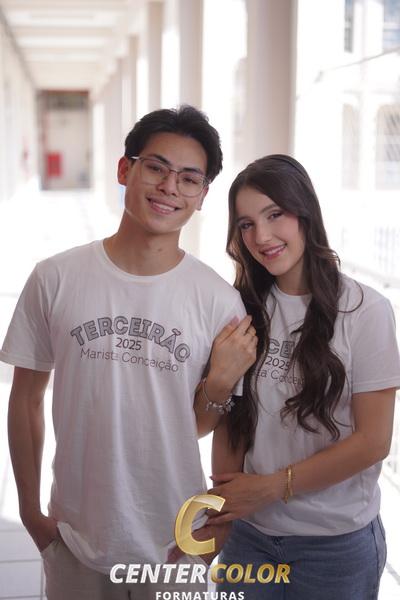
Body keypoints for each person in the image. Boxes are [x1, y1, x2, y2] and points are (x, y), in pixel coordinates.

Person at [0, 105, 257, 599]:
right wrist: (31, 513)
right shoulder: (55, 278)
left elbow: (212, 427)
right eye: (156, 168)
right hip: (75, 537)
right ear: (125, 169)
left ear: (202, 195)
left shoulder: (218, 301)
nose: (169, 188)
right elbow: (25, 399)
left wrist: (216, 530)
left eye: (189, 179)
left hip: (177, 541)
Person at [208, 154, 400, 599]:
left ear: (305, 212)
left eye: (275, 214)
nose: (261, 236)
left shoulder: (365, 311)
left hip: (335, 547)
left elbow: (374, 441)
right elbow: (233, 419)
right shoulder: (241, 308)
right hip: (249, 538)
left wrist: (273, 487)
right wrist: (223, 512)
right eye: (246, 224)